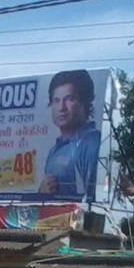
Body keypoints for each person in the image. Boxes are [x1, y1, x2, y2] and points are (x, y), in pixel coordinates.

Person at [38, 70, 101, 201]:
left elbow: (94, 198)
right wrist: (41, 192)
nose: (61, 107)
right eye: (56, 100)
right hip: (55, 220)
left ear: (85, 102)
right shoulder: (54, 151)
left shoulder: (92, 143)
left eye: (70, 99)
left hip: (80, 220)